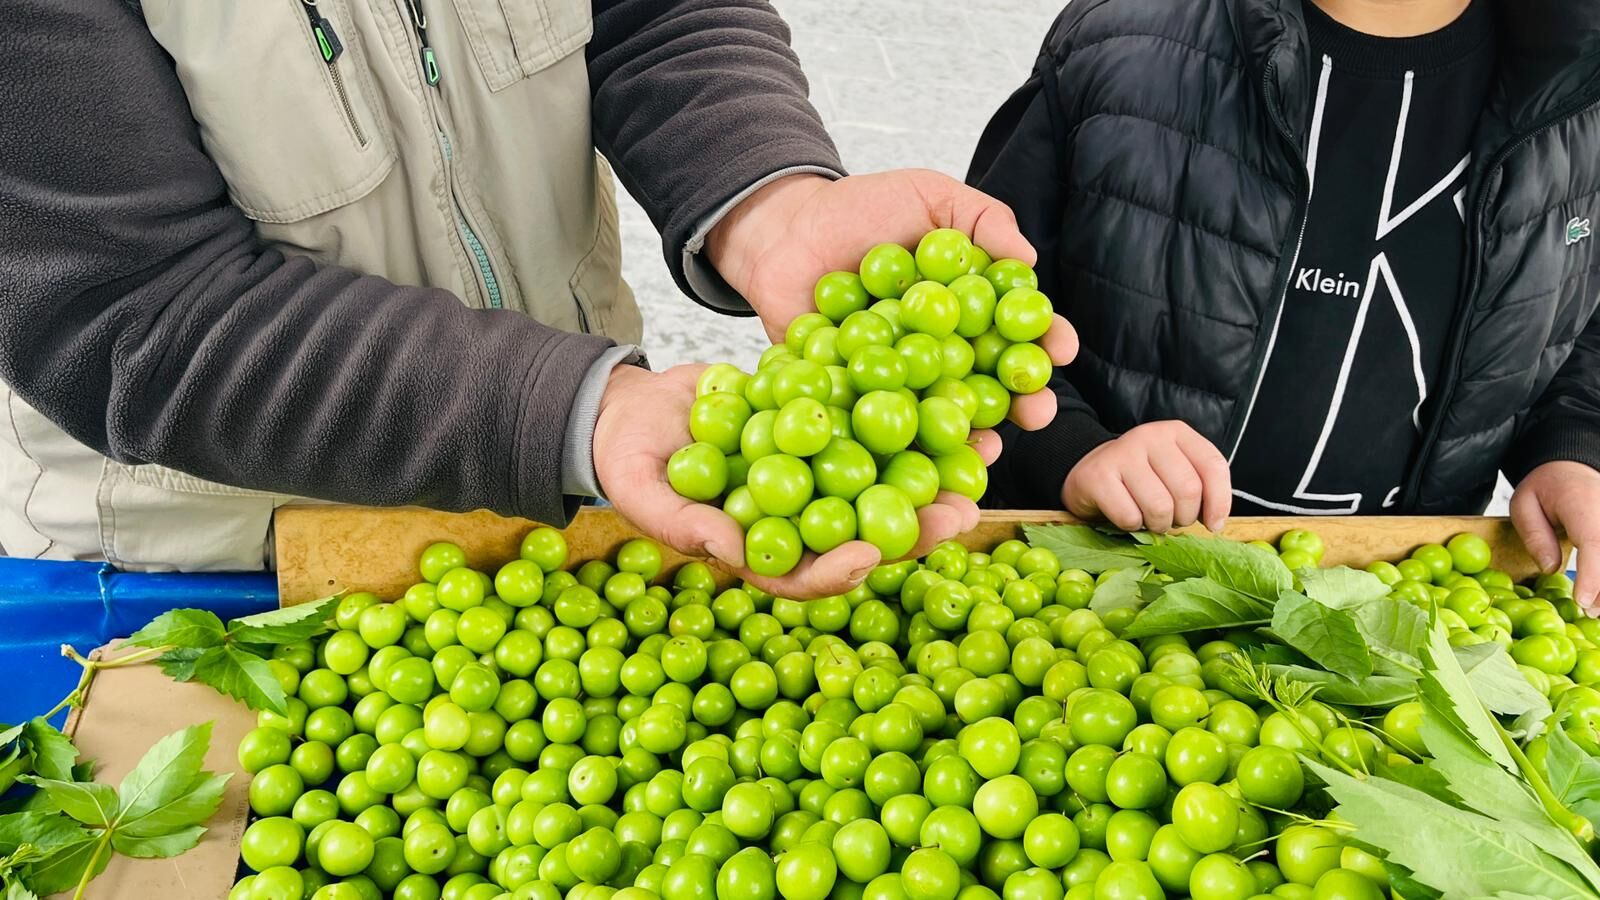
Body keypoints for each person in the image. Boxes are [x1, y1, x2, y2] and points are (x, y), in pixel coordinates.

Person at [0, 0, 1074, 598]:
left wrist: (769, 201)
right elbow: (136, 311)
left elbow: (659, 13)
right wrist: (576, 414)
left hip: (564, 497)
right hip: (205, 563)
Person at [969, 0, 1600, 607]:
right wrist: (1071, 446)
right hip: (1100, 578)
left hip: (1390, 612)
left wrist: (1570, 448)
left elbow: (1572, 326)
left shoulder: (1576, 88)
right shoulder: (1122, 40)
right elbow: (981, 312)